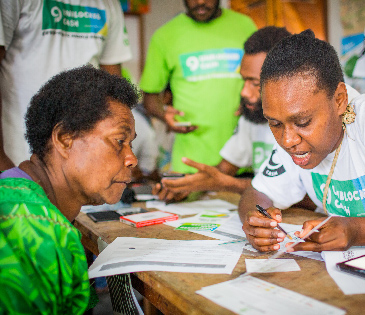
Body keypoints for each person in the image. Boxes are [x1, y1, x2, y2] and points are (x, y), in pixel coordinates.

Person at [0, 66, 139, 313]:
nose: (131, 159)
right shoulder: (43, 235)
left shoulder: (12, 189)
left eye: (131, 144)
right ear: (65, 139)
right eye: (120, 141)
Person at [239, 30, 365, 253]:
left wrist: (356, 230)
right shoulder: (297, 142)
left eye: (303, 122)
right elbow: (257, 193)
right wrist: (257, 222)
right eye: (275, 124)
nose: (287, 141)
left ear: (339, 100)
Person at [153, 26, 291, 202]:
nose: (244, 92)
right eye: (244, 80)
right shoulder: (253, 118)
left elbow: (306, 195)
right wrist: (187, 185)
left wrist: (228, 184)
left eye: (255, 83)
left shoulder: (305, 128)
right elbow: (224, 169)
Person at [0, 0, 131, 170]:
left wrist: (117, 153)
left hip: (83, 163)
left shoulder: (108, 4)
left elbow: (114, 91)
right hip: (18, 156)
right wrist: (2, 159)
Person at [139, 0, 257, 173]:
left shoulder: (245, 25)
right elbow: (149, 98)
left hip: (244, 163)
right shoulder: (165, 35)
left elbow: (264, 78)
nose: (200, 2)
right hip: (190, 166)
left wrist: (253, 99)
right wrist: (164, 115)